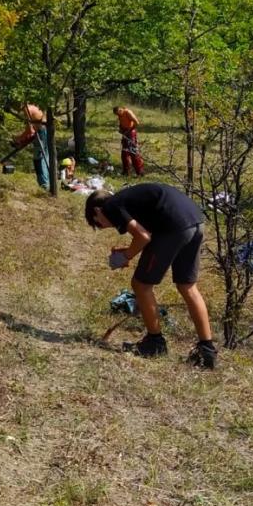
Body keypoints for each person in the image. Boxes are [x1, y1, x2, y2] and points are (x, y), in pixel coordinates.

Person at [85, 182, 217, 368]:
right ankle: (207, 351)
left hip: (175, 227)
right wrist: (128, 251)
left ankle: (154, 343)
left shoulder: (111, 206)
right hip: (195, 221)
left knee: (141, 285)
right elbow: (149, 233)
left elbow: (144, 237)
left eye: (98, 223)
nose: (103, 226)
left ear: (97, 210)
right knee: (187, 286)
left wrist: (125, 256)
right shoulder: (129, 201)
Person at [10, 102, 50, 190]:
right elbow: (31, 129)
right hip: (43, 130)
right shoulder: (32, 107)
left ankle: (44, 185)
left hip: (42, 132)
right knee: (43, 157)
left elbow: (30, 131)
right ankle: (46, 183)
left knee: (39, 158)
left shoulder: (27, 109)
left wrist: (18, 139)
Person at [114, 105, 144, 177]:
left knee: (133, 152)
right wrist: (121, 129)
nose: (118, 115)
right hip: (125, 133)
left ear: (120, 109)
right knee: (124, 153)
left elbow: (137, 122)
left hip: (131, 133)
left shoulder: (128, 112)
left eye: (118, 113)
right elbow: (121, 123)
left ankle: (140, 172)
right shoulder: (120, 115)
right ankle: (126, 172)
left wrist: (128, 131)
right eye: (117, 114)